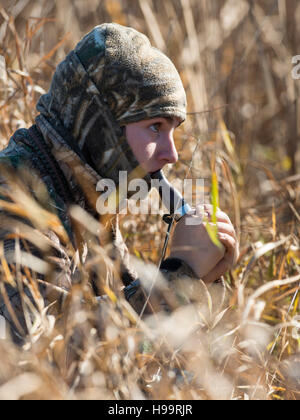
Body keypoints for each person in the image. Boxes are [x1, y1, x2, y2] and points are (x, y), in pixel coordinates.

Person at [0, 23, 239, 342]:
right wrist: (177, 277)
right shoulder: (19, 203)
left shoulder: (86, 194)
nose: (172, 154)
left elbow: (119, 301)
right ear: (102, 126)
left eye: (173, 131)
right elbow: (48, 352)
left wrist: (201, 276)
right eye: (155, 127)